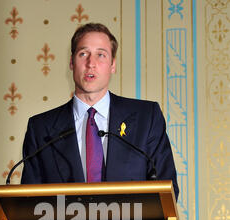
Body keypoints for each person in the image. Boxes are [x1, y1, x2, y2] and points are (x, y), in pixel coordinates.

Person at [21, 23, 179, 200]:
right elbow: (30, 200)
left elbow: (166, 190)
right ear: (72, 63)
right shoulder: (41, 128)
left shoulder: (146, 117)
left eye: (101, 55)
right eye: (83, 54)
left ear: (113, 65)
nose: (91, 64)